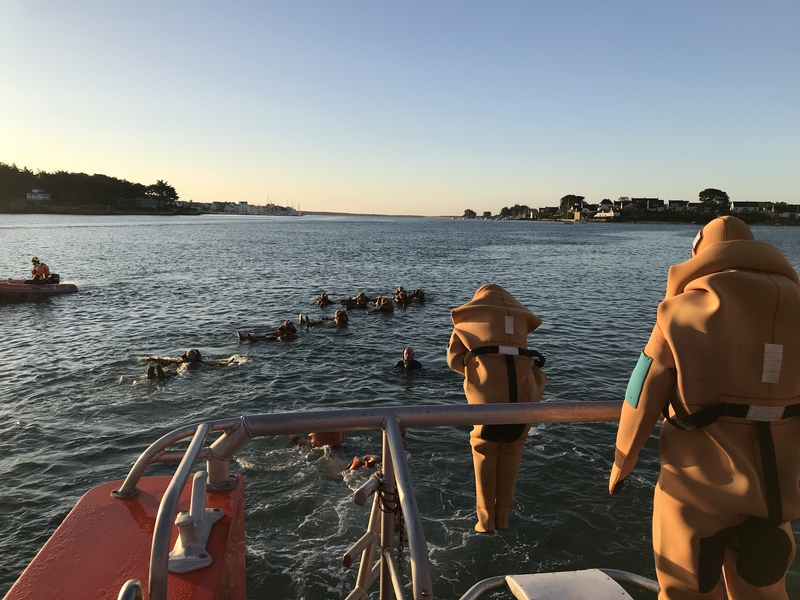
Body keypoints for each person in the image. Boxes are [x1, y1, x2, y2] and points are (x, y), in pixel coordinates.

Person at [609, 216, 800, 600]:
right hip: (775, 502)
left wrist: (621, 464)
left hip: (696, 494)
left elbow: (641, 393)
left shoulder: (679, 311)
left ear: (700, 253)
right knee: (765, 594)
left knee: (687, 591)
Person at [447, 284, 547, 533]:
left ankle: (484, 520)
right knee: (512, 449)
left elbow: (454, 360)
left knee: (484, 449)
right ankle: (503, 517)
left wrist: (475, 369)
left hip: (488, 394)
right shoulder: (520, 318)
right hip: (523, 392)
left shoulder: (469, 319)